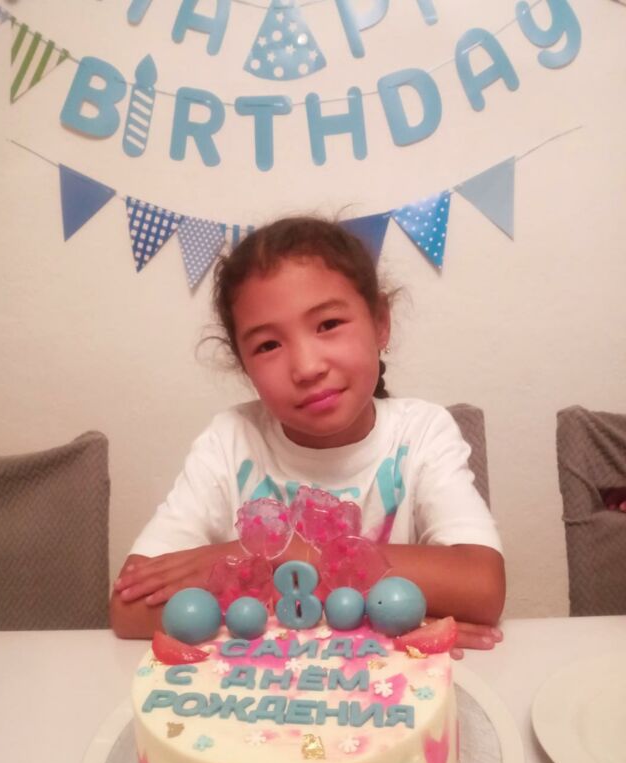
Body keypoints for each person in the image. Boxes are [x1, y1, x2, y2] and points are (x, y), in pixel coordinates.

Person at [111, 215, 505, 656]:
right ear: (244, 366)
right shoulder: (229, 441)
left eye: (328, 324)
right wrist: (371, 616)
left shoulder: (422, 432)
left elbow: (481, 588)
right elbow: (129, 610)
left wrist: (282, 555)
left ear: (380, 322)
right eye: (268, 346)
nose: (306, 367)